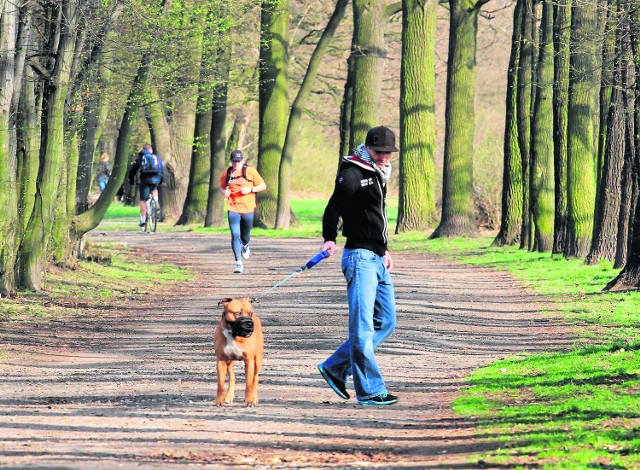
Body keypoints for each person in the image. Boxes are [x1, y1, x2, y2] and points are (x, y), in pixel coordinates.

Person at [317, 125, 400, 406]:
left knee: (386, 321)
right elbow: (333, 208)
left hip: (377, 257)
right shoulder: (352, 173)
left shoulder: (377, 174)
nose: (385, 158)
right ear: (368, 149)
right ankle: (370, 390)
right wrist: (329, 238)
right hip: (359, 258)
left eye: (389, 153)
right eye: (380, 152)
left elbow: (374, 216)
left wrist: (384, 248)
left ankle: (335, 366)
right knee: (362, 329)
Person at [219, 150, 266, 274]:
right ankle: (238, 263)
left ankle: (245, 245)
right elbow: (221, 188)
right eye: (234, 161)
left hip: (247, 208)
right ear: (231, 161)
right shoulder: (227, 173)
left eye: (238, 161)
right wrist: (225, 193)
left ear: (243, 160)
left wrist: (251, 189)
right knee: (235, 234)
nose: (236, 164)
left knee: (245, 235)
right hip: (232, 207)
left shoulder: (250, 171)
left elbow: (263, 185)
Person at [128, 144, 164, 227]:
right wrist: (161, 179)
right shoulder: (156, 157)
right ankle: (155, 200)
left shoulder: (140, 158)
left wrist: (131, 181)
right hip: (156, 178)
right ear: (151, 150)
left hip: (145, 179)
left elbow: (133, 171)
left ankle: (143, 220)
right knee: (154, 188)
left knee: (143, 200)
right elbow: (161, 168)